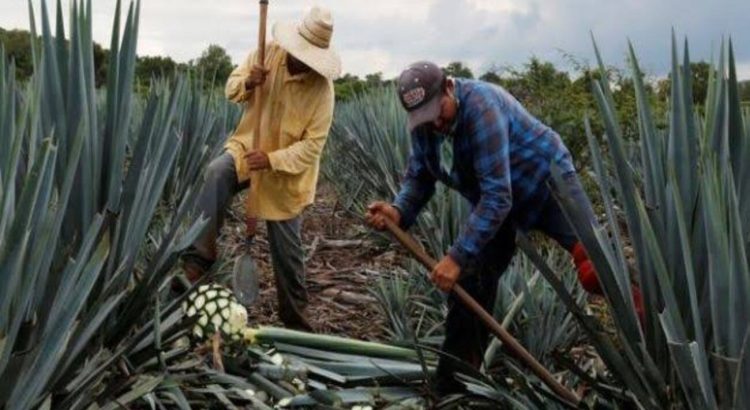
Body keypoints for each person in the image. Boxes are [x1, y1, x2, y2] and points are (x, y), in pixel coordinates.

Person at [365, 61, 643, 395]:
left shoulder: (482, 107)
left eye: (437, 111)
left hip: (546, 182)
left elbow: (498, 196)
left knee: (596, 265)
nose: (435, 123)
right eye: (424, 118)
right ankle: (455, 387)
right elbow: (420, 176)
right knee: (470, 284)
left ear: (449, 88)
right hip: (497, 201)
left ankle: (657, 337)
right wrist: (398, 210)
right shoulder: (426, 126)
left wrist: (455, 256)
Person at [181, 6, 341, 331]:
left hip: (286, 175)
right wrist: (250, 82)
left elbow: (311, 148)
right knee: (216, 173)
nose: (300, 60)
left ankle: (296, 324)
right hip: (247, 148)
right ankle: (198, 260)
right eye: (299, 52)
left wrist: (272, 160)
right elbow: (231, 88)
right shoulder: (266, 54)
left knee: (288, 253)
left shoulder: (323, 92)